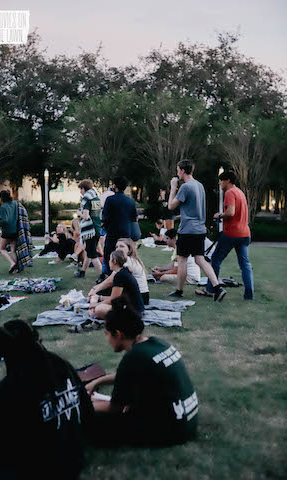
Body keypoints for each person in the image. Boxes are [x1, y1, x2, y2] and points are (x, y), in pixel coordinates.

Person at [0, 320, 94, 480]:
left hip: (38, 470)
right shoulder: (61, 365)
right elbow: (87, 413)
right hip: (74, 459)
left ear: (5, 355)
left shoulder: (12, 388)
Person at [86, 297, 198, 447]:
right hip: (187, 420)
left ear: (118, 334)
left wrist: (84, 404)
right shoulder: (156, 343)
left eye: (107, 334)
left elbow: (116, 407)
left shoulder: (134, 357)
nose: (107, 340)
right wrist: (98, 381)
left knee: (91, 417)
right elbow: (128, 376)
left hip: (171, 431)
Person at [168, 159, 226, 301]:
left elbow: (170, 206)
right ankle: (217, 287)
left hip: (187, 230)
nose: (177, 174)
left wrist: (173, 187)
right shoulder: (199, 186)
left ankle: (179, 290)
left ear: (182, 170)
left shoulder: (185, 187)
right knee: (200, 259)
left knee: (182, 260)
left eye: (177, 171)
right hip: (199, 229)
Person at [201, 170, 254, 300]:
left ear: (227, 181)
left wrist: (219, 215)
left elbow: (230, 212)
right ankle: (249, 294)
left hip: (232, 233)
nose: (219, 183)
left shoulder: (230, 193)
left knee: (215, 259)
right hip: (245, 233)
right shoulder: (240, 192)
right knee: (245, 264)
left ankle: (210, 290)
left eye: (220, 180)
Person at [88, 237, 150, 306]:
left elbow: (109, 281)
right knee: (104, 291)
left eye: (122, 246)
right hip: (143, 295)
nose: (118, 249)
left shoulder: (128, 261)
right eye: (117, 247)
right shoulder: (132, 259)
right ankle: (99, 298)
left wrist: (94, 291)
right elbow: (109, 280)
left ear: (129, 249)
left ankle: (99, 298)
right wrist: (95, 288)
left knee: (102, 293)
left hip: (139, 297)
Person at [89, 250, 144, 319]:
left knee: (99, 309)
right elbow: (117, 297)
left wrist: (96, 305)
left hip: (133, 311)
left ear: (114, 261)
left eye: (110, 260)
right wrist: (100, 298)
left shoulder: (119, 276)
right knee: (101, 305)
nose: (108, 262)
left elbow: (113, 300)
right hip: (135, 309)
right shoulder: (124, 271)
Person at [102, 176, 138, 275]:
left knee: (109, 254)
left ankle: (111, 275)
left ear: (115, 186)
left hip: (113, 231)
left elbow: (105, 217)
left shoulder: (110, 200)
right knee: (125, 254)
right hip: (126, 232)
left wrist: (105, 227)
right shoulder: (130, 201)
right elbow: (133, 218)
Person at [75, 179, 102, 279]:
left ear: (84, 188)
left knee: (93, 255)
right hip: (97, 228)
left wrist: (79, 213)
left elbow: (86, 216)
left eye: (81, 189)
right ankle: (82, 271)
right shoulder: (96, 199)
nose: (80, 192)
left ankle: (102, 275)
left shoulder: (87, 200)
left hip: (90, 230)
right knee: (89, 252)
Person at [0, 190, 18, 273]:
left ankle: (12, 263)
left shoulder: (3, 207)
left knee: (2, 248)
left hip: (7, 231)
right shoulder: (15, 204)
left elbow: (5, 221)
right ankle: (16, 269)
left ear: (1, 198)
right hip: (15, 229)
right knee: (13, 250)